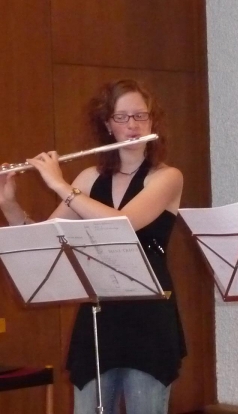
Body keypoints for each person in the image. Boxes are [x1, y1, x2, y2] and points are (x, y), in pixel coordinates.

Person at [0, 79, 186, 414]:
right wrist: (9, 204)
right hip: (98, 317)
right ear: (108, 125)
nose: (132, 125)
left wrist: (60, 185)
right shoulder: (88, 178)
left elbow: (124, 222)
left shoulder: (167, 177)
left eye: (140, 116)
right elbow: (44, 240)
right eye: (122, 117)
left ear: (152, 121)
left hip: (149, 318)